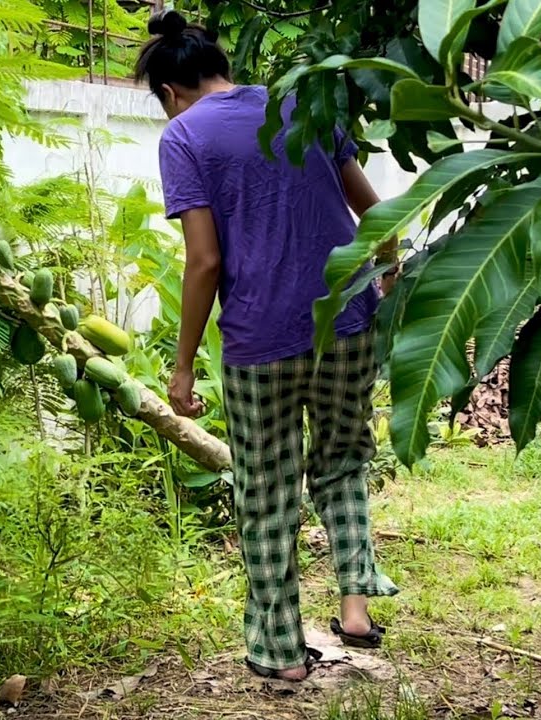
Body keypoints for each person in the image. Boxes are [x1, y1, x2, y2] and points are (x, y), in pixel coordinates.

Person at [135, 10, 400, 682]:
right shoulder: (301, 103)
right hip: (346, 323)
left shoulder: (184, 137)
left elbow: (203, 263)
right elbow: (377, 211)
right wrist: (388, 271)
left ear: (170, 91)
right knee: (342, 461)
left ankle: (281, 654)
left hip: (260, 342)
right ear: (220, 65)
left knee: (267, 492)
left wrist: (184, 361)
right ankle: (356, 606)